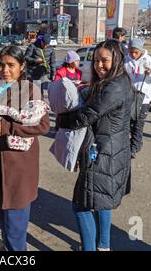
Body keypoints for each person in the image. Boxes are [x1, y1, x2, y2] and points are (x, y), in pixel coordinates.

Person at [56, 39, 133, 251]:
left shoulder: (114, 87)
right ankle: (103, 246)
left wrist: (60, 121)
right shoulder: (119, 80)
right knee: (101, 201)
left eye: (104, 60)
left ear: (117, 59)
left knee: (80, 205)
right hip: (113, 150)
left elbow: (87, 115)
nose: (99, 65)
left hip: (102, 153)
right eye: (96, 60)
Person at [0, 46, 50, 251]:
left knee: (16, 228)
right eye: (1, 65)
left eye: (11, 65)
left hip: (18, 166)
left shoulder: (30, 90)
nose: (5, 70)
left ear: (22, 66)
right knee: (0, 215)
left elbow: (43, 125)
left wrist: (8, 127)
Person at [125, 38, 151, 159]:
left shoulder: (149, 61)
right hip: (128, 97)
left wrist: (150, 73)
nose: (133, 55)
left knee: (138, 124)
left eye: (136, 52)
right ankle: (133, 143)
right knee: (127, 123)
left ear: (141, 50)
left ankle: (133, 147)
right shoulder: (125, 60)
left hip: (143, 98)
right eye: (131, 52)